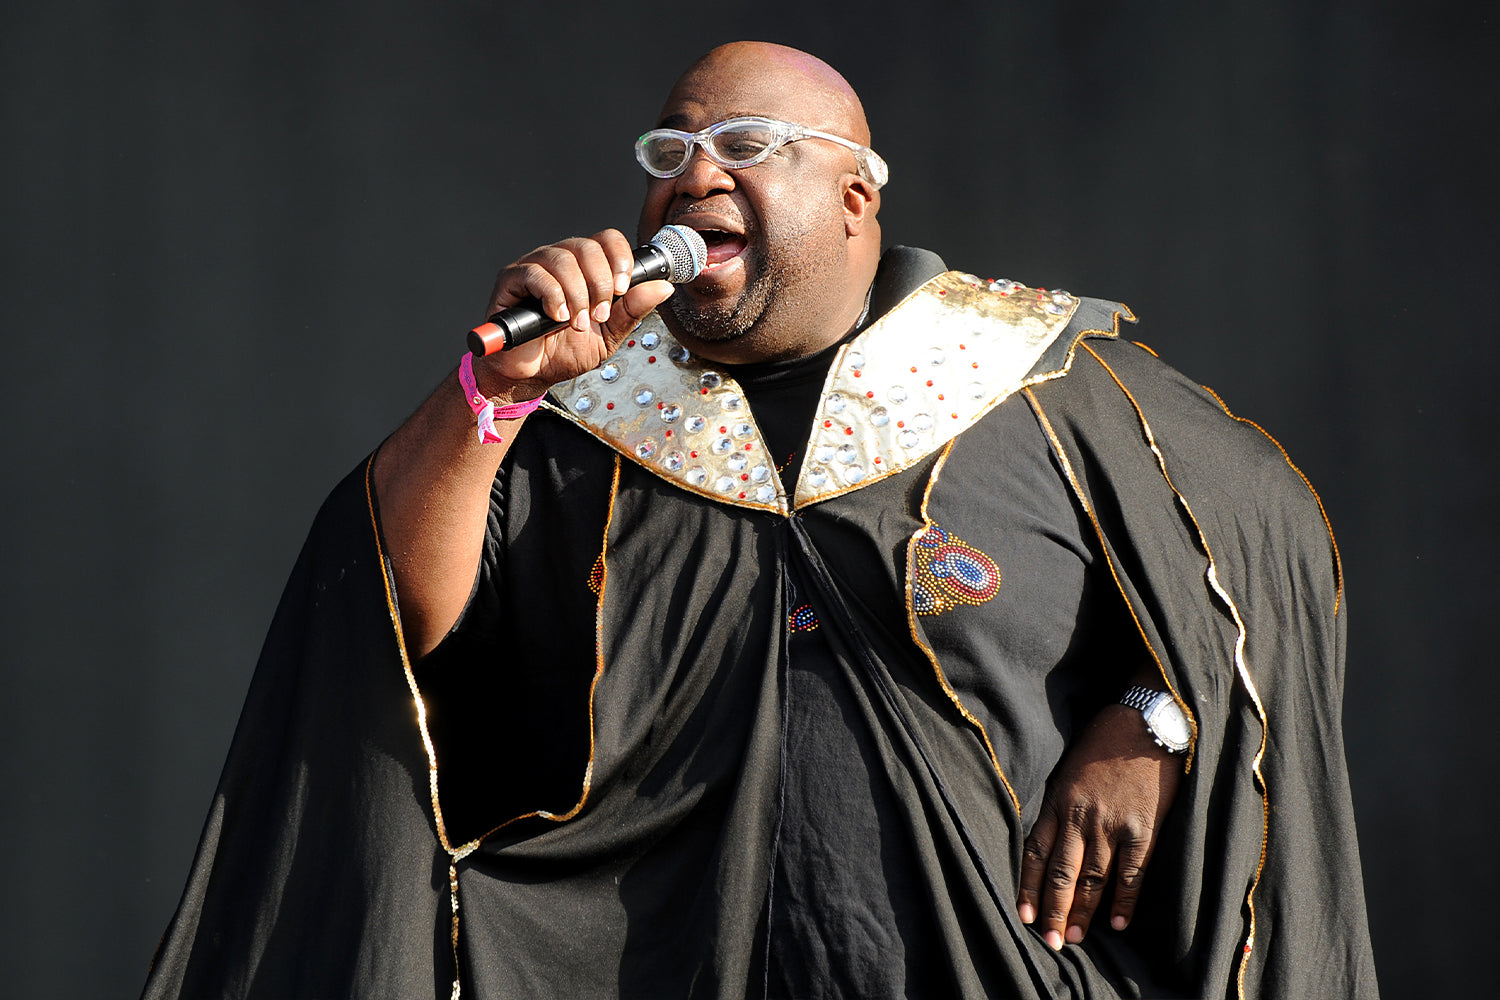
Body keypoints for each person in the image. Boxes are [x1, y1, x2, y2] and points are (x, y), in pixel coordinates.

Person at [143, 42, 1377, 1000]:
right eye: (669, 146)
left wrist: (1156, 718)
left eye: (742, 141)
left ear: (854, 193)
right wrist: (495, 396)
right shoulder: (583, 419)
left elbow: (1270, 559)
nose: (691, 173)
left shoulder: (1039, 385)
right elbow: (395, 616)